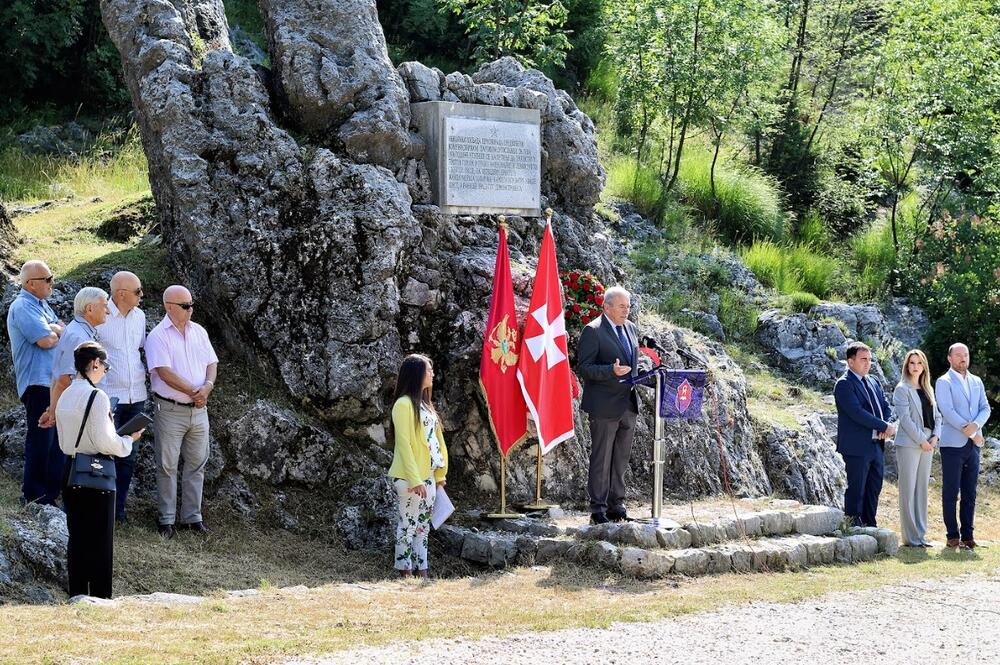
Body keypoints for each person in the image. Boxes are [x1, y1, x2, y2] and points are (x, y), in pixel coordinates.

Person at [56, 341, 144, 598]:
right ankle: (100, 598)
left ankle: (77, 594)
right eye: (105, 365)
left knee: (78, 539)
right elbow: (105, 441)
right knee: (101, 542)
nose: (105, 370)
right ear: (95, 363)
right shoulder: (98, 396)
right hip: (95, 472)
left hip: (71, 468)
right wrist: (128, 441)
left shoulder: (66, 394)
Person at [144, 285, 218, 538]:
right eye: (185, 306)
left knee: (197, 464)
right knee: (167, 465)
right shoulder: (157, 336)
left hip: (198, 409)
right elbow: (163, 371)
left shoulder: (199, 331)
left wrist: (206, 388)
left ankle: (192, 518)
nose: (190, 309)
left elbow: (212, 363)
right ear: (169, 306)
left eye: (191, 304)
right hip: (171, 409)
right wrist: (195, 392)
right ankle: (166, 520)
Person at [576, 286, 639, 525]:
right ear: (607, 307)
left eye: (628, 306)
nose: (626, 310)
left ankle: (616, 504)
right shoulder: (593, 331)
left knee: (621, 458)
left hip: (628, 405)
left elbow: (632, 364)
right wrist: (610, 371)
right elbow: (585, 368)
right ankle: (598, 509)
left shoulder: (631, 328)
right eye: (622, 306)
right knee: (602, 458)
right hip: (603, 405)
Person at [6, 260, 64, 505]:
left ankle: (49, 496)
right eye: (47, 279)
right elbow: (46, 340)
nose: (52, 283)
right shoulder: (22, 306)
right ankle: (33, 496)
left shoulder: (42, 305)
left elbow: (63, 329)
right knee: (42, 441)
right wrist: (53, 330)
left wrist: (54, 328)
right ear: (30, 284)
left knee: (56, 444)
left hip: (53, 382)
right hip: (38, 382)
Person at [387, 354, 448, 578]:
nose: (432, 373)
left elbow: (437, 442)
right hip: (410, 478)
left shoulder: (426, 406)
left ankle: (422, 570)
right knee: (408, 525)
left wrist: (440, 473)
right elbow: (404, 445)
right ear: (416, 374)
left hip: (429, 477)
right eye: (428, 369)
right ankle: (405, 572)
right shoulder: (403, 405)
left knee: (423, 528)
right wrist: (415, 479)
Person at [96, 271, 147, 523]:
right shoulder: (101, 315)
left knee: (129, 456)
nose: (142, 295)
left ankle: (118, 511)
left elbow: (139, 349)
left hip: (136, 395)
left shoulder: (140, 316)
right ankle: (100, 509)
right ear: (121, 294)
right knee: (105, 454)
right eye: (138, 291)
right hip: (110, 397)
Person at [935, 343, 991, 549]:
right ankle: (952, 535)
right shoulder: (944, 381)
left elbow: (985, 408)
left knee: (970, 492)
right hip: (952, 444)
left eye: (965, 355)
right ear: (950, 358)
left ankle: (968, 536)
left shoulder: (977, 381)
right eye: (958, 355)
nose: (963, 358)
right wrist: (970, 431)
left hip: (973, 444)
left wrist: (976, 427)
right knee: (951, 492)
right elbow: (947, 410)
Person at [833, 341, 895, 527]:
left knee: (874, 488)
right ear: (850, 362)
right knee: (857, 489)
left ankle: (870, 526)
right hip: (856, 446)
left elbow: (885, 406)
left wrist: (887, 424)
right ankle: (854, 526)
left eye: (869, 359)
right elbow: (857, 413)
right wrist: (883, 426)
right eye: (863, 359)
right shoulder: (844, 384)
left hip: (876, 444)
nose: (868, 363)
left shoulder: (874, 381)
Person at [40, 287, 110, 429]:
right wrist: (53, 413)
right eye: (105, 306)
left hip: (80, 408)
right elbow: (64, 379)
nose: (108, 311)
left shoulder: (77, 330)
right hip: (81, 412)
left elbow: (59, 375)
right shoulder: (79, 337)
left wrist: (52, 410)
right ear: (89, 309)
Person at [892, 349, 941, 547]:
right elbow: (905, 419)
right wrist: (922, 440)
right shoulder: (901, 389)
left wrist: (936, 436)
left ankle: (920, 536)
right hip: (910, 443)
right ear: (907, 365)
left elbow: (938, 416)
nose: (915, 366)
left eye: (919, 363)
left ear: (924, 366)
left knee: (921, 488)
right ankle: (910, 538)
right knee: (908, 489)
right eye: (912, 363)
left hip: (929, 442)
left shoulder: (928, 388)